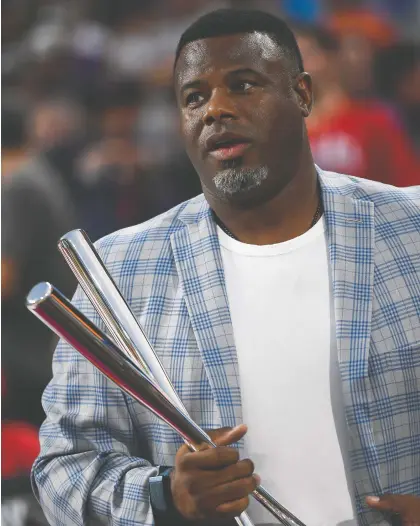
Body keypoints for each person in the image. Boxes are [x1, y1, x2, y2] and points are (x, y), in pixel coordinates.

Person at [31, 9, 420, 526]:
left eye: (243, 85)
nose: (216, 109)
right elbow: (63, 469)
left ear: (303, 94)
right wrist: (166, 496)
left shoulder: (409, 230)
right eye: (195, 97)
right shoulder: (121, 273)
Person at [295, 24, 419, 187]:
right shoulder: (278, 129)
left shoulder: (372, 121)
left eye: (305, 56)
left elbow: (408, 184)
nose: (294, 68)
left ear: (331, 59)